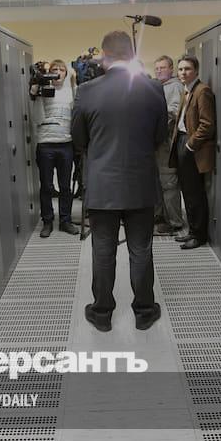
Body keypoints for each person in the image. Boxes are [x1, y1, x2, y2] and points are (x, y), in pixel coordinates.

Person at [72, 31, 167, 332]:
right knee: (141, 250)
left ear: (104, 56)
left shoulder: (86, 91)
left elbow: (78, 139)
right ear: (132, 54)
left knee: (103, 251)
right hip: (140, 184)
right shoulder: (154, 88)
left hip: (103, 186)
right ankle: (144, 312)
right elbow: (160, 136)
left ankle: (102, 313)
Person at [168, 55, 215, 250]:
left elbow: (207, 125)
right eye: (180, 69)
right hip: (181, 141)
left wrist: (189, 145)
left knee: (195, 193)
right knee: (187, 191)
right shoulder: (187, 90)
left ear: (196, 71)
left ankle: (199, 235)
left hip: (191, 146)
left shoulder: (202, 91)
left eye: (187, 69)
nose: (183, 73)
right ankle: (192, 230)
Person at [31, 59, 80, 237]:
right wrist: (37, 94)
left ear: (66, 73)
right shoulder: (43, 90)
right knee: (46, 185)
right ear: (49, 72)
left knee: (65, 186)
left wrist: (74, 81)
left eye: (61, 69)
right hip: (45, 144)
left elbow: (77, 114)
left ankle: (65, 221)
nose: (58, 72)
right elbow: (37, 118)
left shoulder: (70, 91)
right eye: (54, 69)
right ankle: (47, 221)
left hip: (66, 144)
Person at [152, 55, 186, 237]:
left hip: (167, 143)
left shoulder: (175, 87)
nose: (159, 71)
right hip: (157, 143)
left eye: (162, 68)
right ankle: (161, 217)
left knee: (169, 183)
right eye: (157, 68)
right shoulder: (158, 86)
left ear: (171, 69)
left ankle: (174, 222)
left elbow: (173, 113)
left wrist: (152, 116)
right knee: (158, 182)